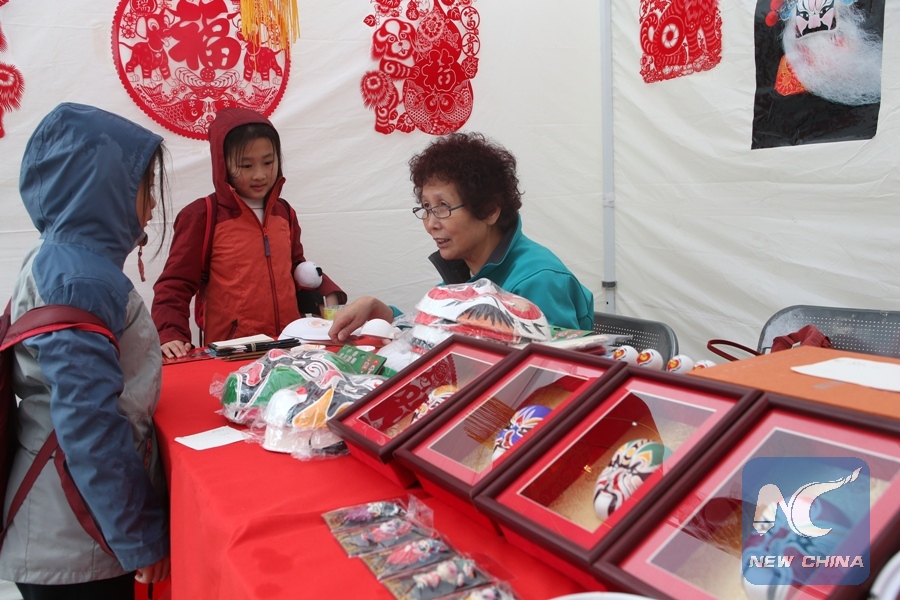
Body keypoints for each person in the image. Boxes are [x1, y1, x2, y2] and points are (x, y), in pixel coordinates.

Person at [0, 103, 170, 598]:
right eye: (145, 187)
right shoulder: (78, 279)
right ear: (103, 187)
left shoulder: (60, 260)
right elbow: (89, 422)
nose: (153, 207)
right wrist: (139, 537)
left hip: (70, 518)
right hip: (76, 532)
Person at [330, 132, 594, 342]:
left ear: (489, 210)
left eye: (443, 207)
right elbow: (439, 334)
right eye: (426, 207)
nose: (431, 224)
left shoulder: (538, 281)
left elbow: (558, 372)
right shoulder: (466, 274)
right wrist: (387, 315)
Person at [152, 108, 346, 359]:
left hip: (290, 345)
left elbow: (297, 268)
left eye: (268, 162)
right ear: (222, 164)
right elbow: (175, 284)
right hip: (233, 351)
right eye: (246, 165)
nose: (259, 174)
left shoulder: (284, 213)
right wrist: (170, 332)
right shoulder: (203, 215)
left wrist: (329, 293)